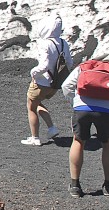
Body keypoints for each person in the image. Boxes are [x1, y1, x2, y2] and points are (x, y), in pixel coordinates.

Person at [61, 60, 109, 197]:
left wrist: (76, 101)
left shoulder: (83, 68)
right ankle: (108, 185)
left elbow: (66, 86)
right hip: (107, 112)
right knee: (108, 143)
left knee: (78, 141)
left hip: (82, 109)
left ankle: (75, 185)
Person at [23, 15, 73, 146]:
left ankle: (35, 137)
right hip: (55, 84)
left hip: (42, 82)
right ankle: (51, 128)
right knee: (37, 102)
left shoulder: (45, 44)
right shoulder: (63, 43)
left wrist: (33, 72)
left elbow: (44, 66)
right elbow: (69, 62)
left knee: (31, 107)